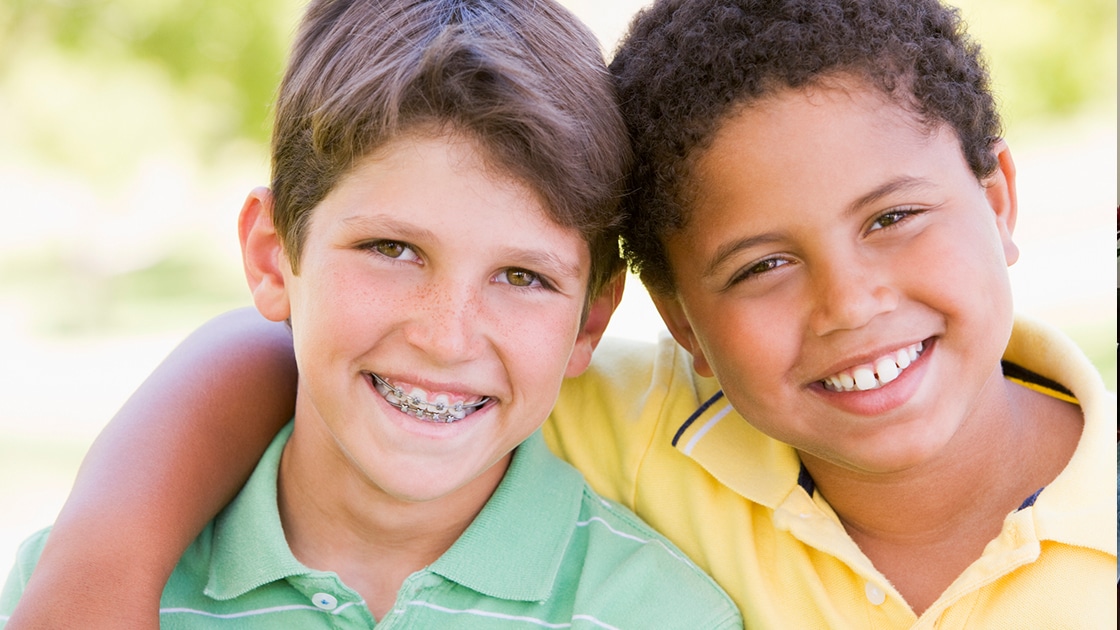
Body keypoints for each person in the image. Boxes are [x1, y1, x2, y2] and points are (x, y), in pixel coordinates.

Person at [6, 0, 1117, 627]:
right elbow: (276, 352)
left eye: (894, 218)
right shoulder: (637, 424)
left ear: (998, 198)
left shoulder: (645, 575)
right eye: (761, 264)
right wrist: (100, 570)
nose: (850, 303)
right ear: (676, 319)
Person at [0, 1, 746, 628]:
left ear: (590, 320)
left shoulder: (658, 611)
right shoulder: (76, 589)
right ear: (271, 257)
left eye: (522, 276)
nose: (446, 336)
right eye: (391, 249)